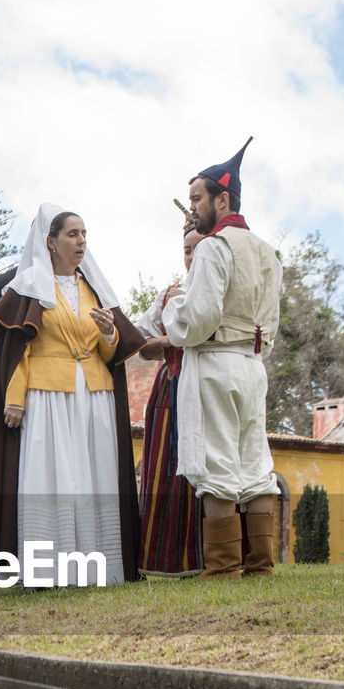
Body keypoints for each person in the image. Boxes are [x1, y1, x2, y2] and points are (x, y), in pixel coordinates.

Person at [0, 204, 154, 586]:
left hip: (94, 398)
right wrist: (15, 397)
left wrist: (108, 334)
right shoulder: (28, 288)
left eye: (84, 234)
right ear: (50, 242)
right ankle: (48, 569)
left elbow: (110, 355)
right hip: (48, 398)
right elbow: (18, 350)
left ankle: (99, 568)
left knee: (93, 478)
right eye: (72, 234)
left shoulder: (95, 290)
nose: (81, 241)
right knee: (53, 478)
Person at [160, 138, 281, 577]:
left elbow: (198, 319)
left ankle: (224, 567)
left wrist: (172, 307)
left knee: (216, 463)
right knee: (255, 461)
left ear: (222, 198)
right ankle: (261, 564)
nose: (193, 207)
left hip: (215, 364)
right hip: (254, 365)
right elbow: (273, 320)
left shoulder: (213, 246)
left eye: (197, 198)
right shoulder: (268, 252)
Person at [133, 209, 205, 577]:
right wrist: (167, 340)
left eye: (198, 248)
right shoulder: (169, 294)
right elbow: (143, 344)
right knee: (164, 468)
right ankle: (164, 560)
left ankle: (215, 559)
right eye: (186, 250)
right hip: (171, 384)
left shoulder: (218, 291)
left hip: (208, 384)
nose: (191, 256)